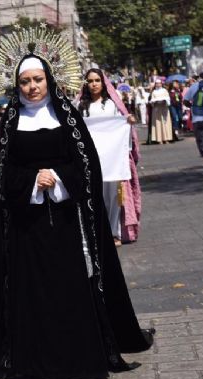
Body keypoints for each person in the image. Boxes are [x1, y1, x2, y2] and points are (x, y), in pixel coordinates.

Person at [0, 30, 154, 379]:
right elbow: (1, 175)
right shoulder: (10, 125)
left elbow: (86, 166)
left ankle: (79, 354)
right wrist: (31, 180)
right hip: (27, 226)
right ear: (16, 84)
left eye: (37, 80)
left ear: (49, 79)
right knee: (33, 292)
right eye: (25, 81)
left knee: (72, 287)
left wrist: (57, 179)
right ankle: (34, 360)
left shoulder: (69, 119)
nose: (31, 87)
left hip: (66, 220)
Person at [76, 68, 137, 247]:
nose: (94, 84)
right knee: (95, 195)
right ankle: (97, 233)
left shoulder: (112, 104)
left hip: (112, 158)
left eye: (97, 80)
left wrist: (128, 121)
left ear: (103, 83)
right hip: (91, 158)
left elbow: (121, 125)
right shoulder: (80, 106)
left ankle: (114, 233)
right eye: (90, 81)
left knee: (114, 196)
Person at [149, 79, 173, 144]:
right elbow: (151, 100)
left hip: (164, 108)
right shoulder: (154, 92)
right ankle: (159, 139)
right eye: (156, 83)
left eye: (159, 83)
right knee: (158, 124)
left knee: (166, 123)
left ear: (161, 84)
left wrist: (165, 101)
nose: (158, 85)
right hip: (157, 109)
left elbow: (168, 98)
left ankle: (167, 138)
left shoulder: (164, 90)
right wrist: (154, 102)